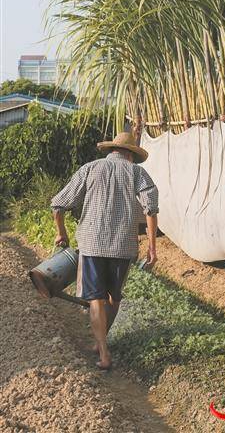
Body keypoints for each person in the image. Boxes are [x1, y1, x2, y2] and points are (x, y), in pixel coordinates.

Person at [50, 131, 159, 370]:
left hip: (92, 243)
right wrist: (152, 247)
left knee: (96, 298)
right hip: (123, 245)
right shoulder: (138, 173)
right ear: (131, 155)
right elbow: (150, 210)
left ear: (112, 151)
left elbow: (58, 205)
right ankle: (101, 342)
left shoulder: (90, 169)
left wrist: (62, 233)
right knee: (114, 296)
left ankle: (103, 351)